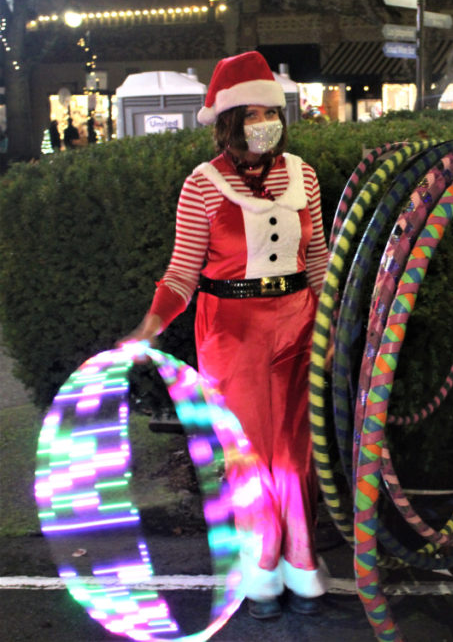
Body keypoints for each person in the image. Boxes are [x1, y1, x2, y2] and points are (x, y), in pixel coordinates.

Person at [122, 51, 330, 620]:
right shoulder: (203, 185)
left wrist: (332, 321)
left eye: (272, 111)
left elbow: (316, 260)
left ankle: (301, 559)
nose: (267, 121)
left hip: (298, 324)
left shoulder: (302, 174)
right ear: (228, 122)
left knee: (294, 451)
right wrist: (148, 328)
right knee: (249, 451)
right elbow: (183, 273)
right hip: (232, 334)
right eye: (254, 113)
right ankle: (263, 565)